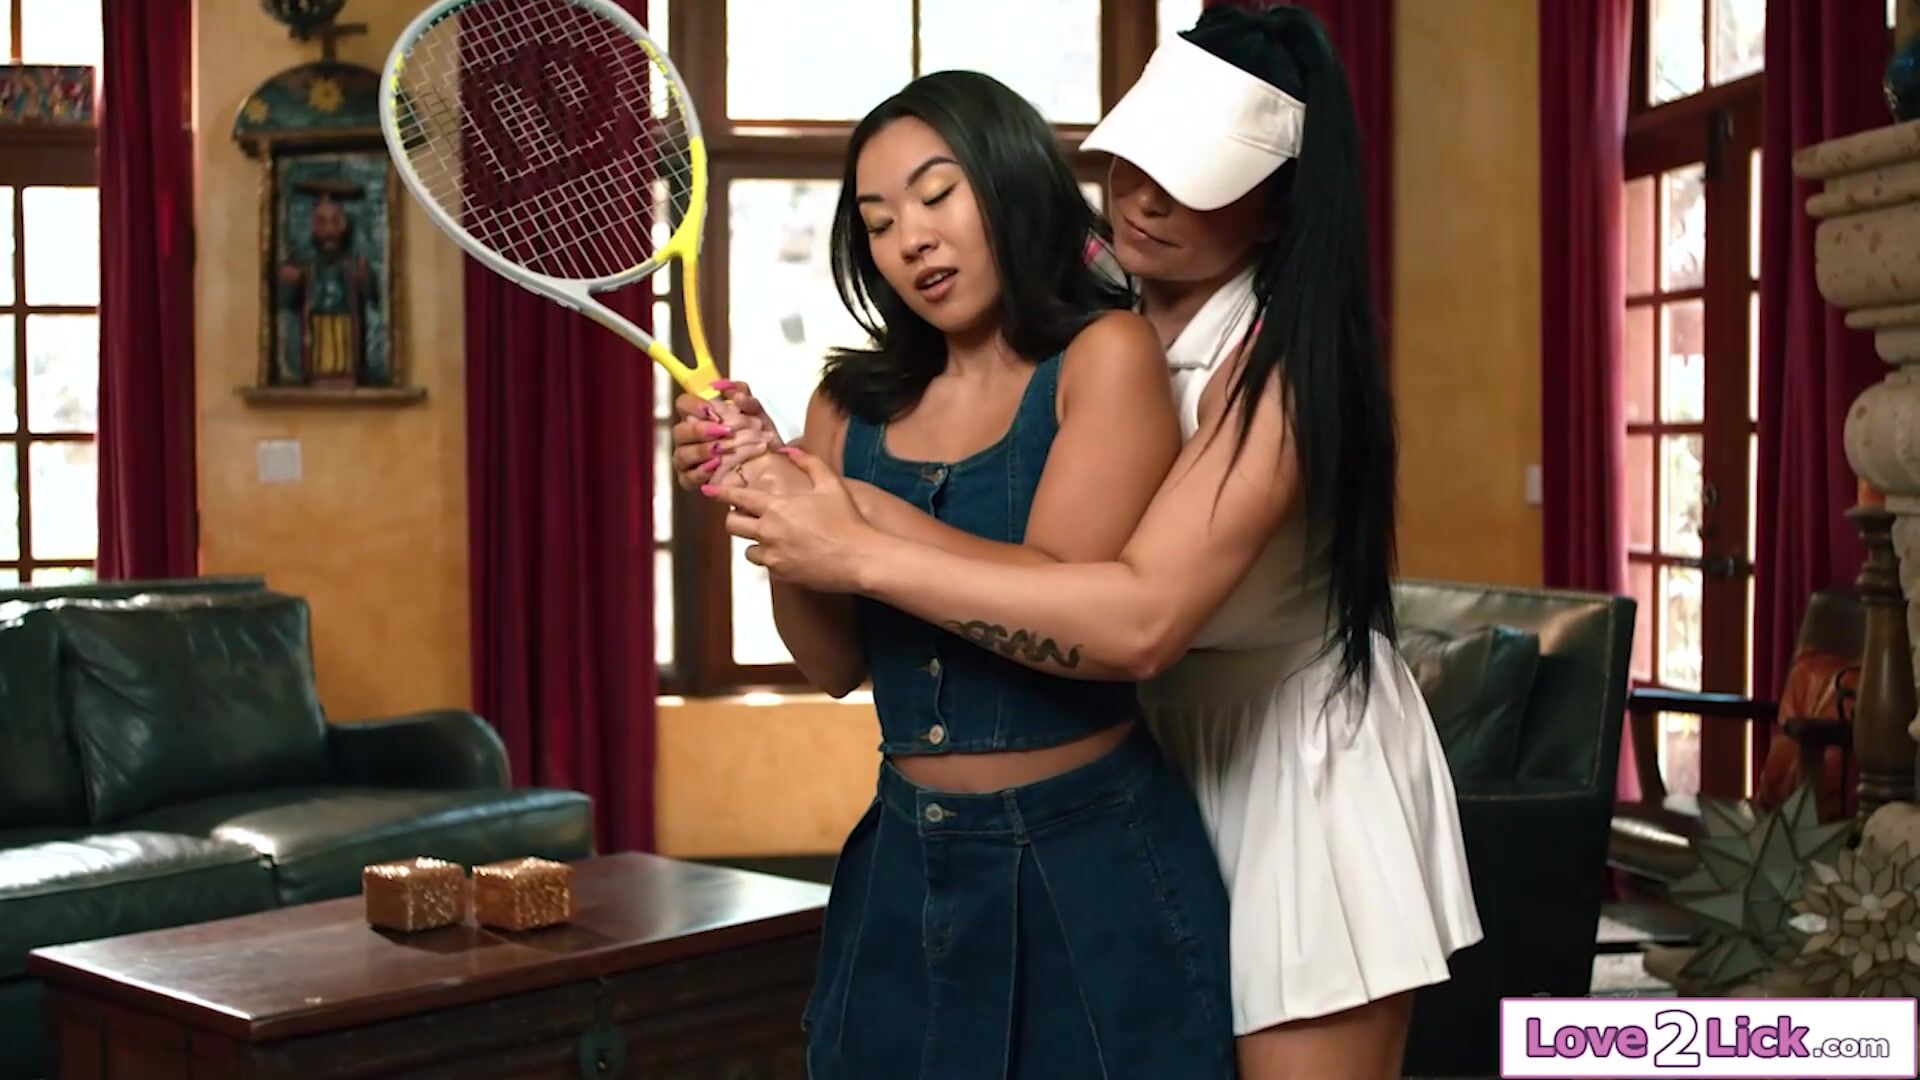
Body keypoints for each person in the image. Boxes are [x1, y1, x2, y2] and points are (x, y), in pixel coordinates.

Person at [681, 7, 1482, 1079]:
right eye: (1132, 161)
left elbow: (1139, 616)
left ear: (1280, 206)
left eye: (1192, 179)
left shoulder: (1286, 365)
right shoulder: (1104, 312)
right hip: (1144, 750)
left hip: (1289, 759)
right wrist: (791, 484)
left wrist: (854, 530)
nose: (1144, 199)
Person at [707, 68, 1236, 1080]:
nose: (910, 238)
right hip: (904, 861)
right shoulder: (846, 403)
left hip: (1092, 858)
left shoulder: (1104, 354)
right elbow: (831, 665)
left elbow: (1069, 606)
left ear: (1009, 182)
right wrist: (778, 504)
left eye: (937, 195)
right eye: (878, 223)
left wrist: (853, 525)